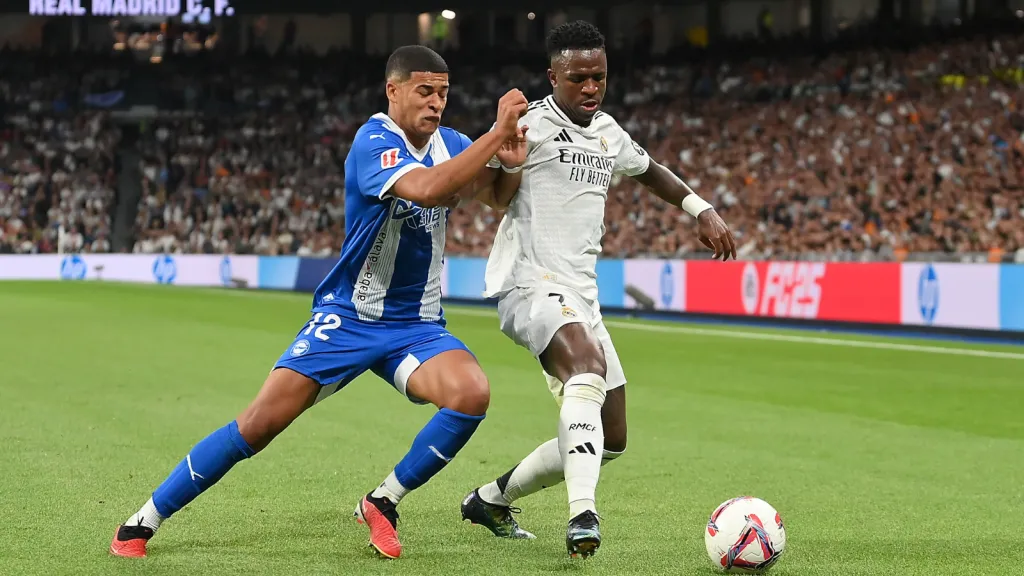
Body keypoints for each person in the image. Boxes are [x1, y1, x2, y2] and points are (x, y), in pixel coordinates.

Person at [109, 45, 529, 561]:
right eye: (424, 91)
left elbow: (497, 197)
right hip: (349, 317)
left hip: (416, 323)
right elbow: (425, 189)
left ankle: (383, 501)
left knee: (471, 394)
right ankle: (143, 520)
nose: (436, 103)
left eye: (443, 93)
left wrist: (510, 165)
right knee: (258, 425)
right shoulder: (374, 141)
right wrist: (495, 133)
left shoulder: (454, 143)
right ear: (392, 90)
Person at [459, 21, 737, 558]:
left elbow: (651, 170)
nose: (591, 88)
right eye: (579, 78)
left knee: (612, 438)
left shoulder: (608, 131)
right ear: (553, 77)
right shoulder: (529, 125)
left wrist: (700, 208)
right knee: (585, 369)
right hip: (529, 283)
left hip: (580, 295)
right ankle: (582, 513)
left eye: (599, 77)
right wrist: (502, 154)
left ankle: (490, 500)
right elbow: (482, 189)